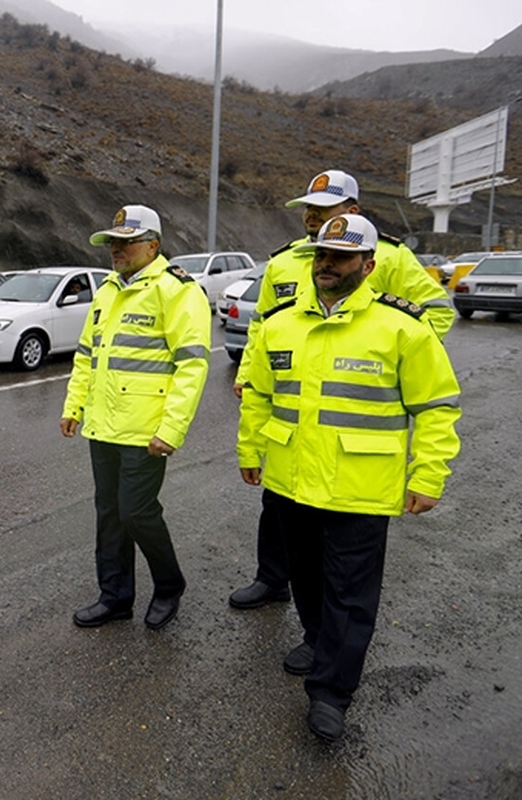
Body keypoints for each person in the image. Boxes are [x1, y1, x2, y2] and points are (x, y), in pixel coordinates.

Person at [237, 214, 460, 741]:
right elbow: (261, 397)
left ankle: (332, 692)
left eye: (339, 257)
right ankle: (316, 639)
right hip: (291, 480)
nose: (326, 265)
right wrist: (250, 450)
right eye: (321, 255)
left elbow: (436, 407)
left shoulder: (402, 327)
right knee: (306, 578)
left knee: (351, 593)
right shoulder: (280, 324)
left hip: (361, 487)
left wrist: (428, 475)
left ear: (369, 263)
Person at [228, 170, 455, 611]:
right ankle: (273, 578)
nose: (311, 215)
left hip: (350, 414)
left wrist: (399, 361)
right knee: (278, 502)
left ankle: (327, 629)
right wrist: (250, 373)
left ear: (351, 211)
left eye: (323, 208)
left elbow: (435, 311)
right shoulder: (285, 261)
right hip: (291, 407)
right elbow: (263, 324)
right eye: (308, 208)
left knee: (338, 536)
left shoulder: (386, 257)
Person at [60, 205, 212, 631]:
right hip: (103, 425)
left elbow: (192, 365)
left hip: (146, 430)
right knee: (108, 513)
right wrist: (74, 406)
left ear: (153, 245)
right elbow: (87, 355)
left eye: (127, 242)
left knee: (137, 512)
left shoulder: (177, 290)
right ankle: (115, 596)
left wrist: (172, 429)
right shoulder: (108, 290)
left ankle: (169, 586)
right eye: (113, 242)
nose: (117, 250)